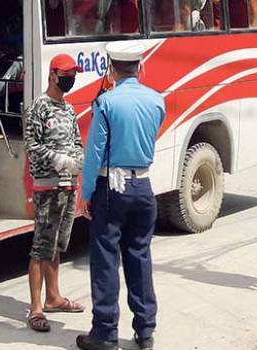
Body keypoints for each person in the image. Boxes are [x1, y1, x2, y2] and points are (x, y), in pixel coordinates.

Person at [77, 42, 166, 350]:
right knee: (140, 257)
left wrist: (86, 193)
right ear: (140, 68)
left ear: (111, 70)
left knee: (105, 261)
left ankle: (104, 333)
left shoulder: (106, 102)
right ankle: (145, 331)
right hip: (143, 186)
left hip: (111, 189)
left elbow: (94, 154)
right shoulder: (157, 101)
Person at [24, 53, 86, 333]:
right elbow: (32, 144)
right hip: (47, 186)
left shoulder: (68, 109)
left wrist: (78, 162)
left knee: (58, 244)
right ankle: (36, 308)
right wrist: (57, 160)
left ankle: (54, 297)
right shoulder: (40, 107)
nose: (69, 79)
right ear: (52, 75)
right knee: (41, 246)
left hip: (68, 186)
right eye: (65, 74)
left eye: (72, 74)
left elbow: (76, 141)